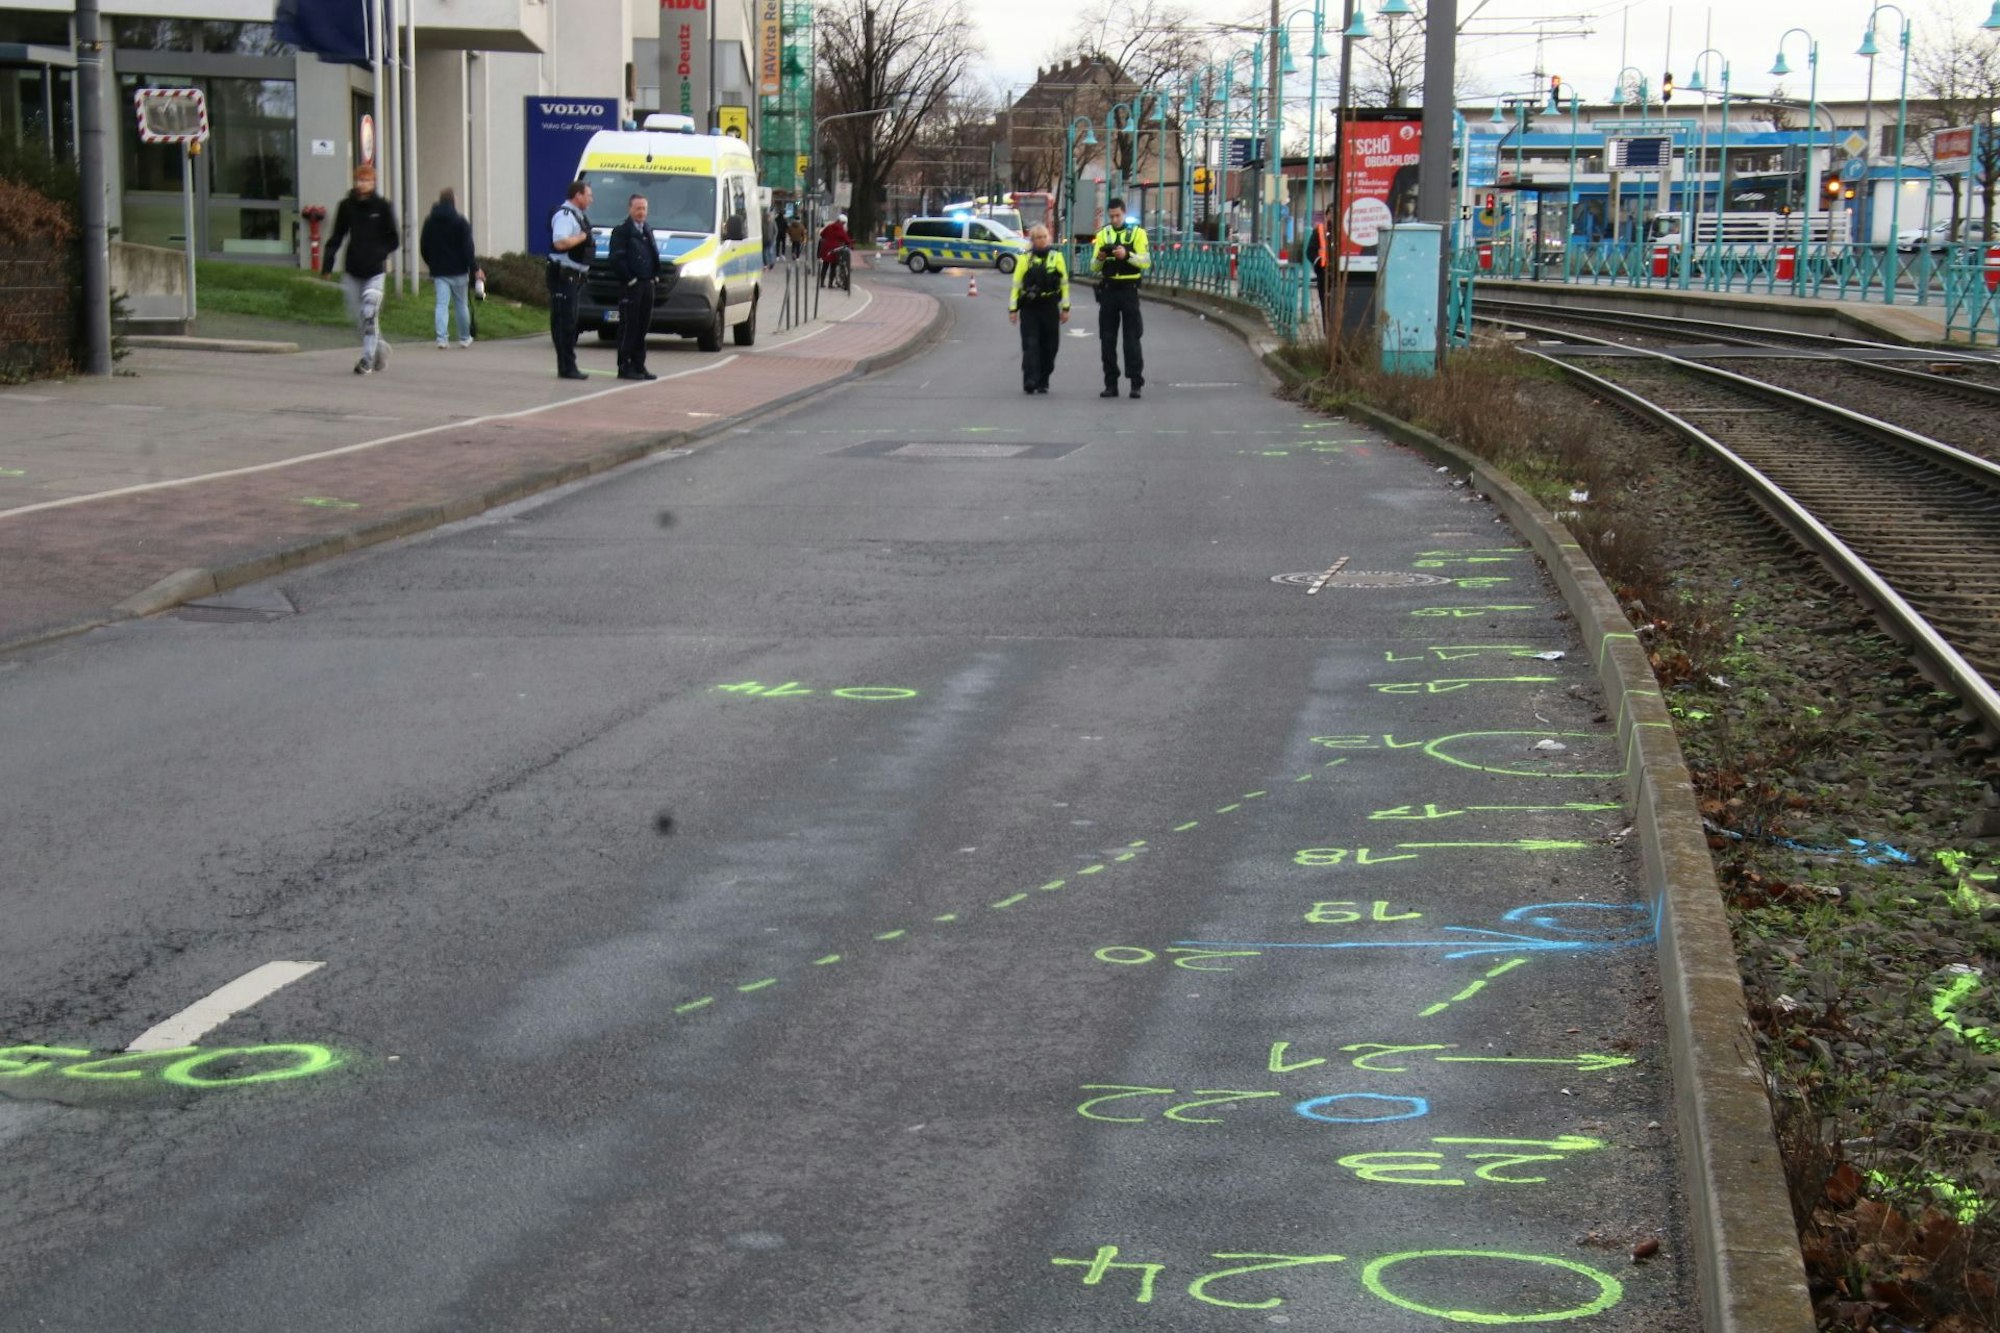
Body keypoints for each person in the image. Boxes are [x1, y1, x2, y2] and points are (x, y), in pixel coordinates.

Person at [320, 163, 399, 375]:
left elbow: (394, 239)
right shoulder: (346, 206)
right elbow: (337, 236)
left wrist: (379, 253)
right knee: (359, 318)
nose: (362, 184)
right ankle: (379, 348)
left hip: (375, 270)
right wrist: (327, 264)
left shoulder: (382, 207)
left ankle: (366, 360)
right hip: (353, 269)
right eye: (359, 180)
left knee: (369, 312)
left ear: (373, 183)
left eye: (367, 180)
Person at [1090, 197, 1150, 399]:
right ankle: (1110, 384)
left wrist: (1128, 255)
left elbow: (1146, 261)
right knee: (1107, 339)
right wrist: (1099, 259)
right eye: (1112, 216)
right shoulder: (1103, 235)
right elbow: (1093, 267)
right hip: (1108, 290)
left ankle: (1135, 383)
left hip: (1128, 290)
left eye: (1118, 215)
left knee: (1131, 338)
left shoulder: (1138, 234)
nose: (1115, 219)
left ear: (1124, 213)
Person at [1008, 223, 1069, 395]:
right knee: (1031, 343)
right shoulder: (1024, 259)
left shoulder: (1056, 257)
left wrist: (1066, 308)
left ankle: (1043, 380)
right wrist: (1013, 310)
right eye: (1038, 238)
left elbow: (1064, 285)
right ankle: (1030, 379)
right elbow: (1016, 286)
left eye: (1044, 237)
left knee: (1050, 346)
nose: (1042, 240)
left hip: (1050, 306)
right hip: (1030, 307)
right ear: (1033, 240)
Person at [546, 179, 594, 381]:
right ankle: (566, 366)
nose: (591, 199)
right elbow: (560, 242)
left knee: (570, 321)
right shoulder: (565, 215)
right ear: (578, 195)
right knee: (564, 322)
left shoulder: (578, 216)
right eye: (588, 195)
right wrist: (581, 238)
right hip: (563, 276)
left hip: (574, 277)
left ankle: (568, 365)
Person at [419, 186, 478, 349]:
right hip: (459, 270)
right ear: (453, 201)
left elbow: (424, 246)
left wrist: (431, 262)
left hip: (439, 270)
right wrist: (474, 267)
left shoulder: (429, 221)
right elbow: (468, 248)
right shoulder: (461, 222)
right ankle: (465, 337)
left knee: (441, 304)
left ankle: (442, 339)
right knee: (461, 304)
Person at [610, 193, 661, 381]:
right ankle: (625, 366)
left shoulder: (647, 229)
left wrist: (655, 276)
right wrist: (629, 279)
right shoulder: (621, 231)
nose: (641, 212)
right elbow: (616, 259)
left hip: (647, 285)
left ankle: (639, 365)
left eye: (644, 209)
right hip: (631, 286)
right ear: (630, 209)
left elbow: (653, 254)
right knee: (629, 326)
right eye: (638, 208)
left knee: (642, 327)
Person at [1304, 204, 1334, 328]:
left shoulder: (1342, 231)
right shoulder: (1320, 231)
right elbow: (1309, 251)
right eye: (1331, 213)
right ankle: (1327, 331)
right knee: (1325, 303)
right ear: (1327, 215)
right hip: (1324, 272)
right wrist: (1319, 261)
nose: (1333, 216)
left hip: (1339, 274)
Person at [818, 212, 852, 287]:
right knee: (833, 267)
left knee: (825, 266)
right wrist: (849, 244)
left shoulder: (829, 226)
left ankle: (822, 283)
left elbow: (822, 234)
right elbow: (846, 240)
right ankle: (830, 284)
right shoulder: (841, 229)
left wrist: (827, 238)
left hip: (826, 248)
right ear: (842, 222)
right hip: (835, 250)